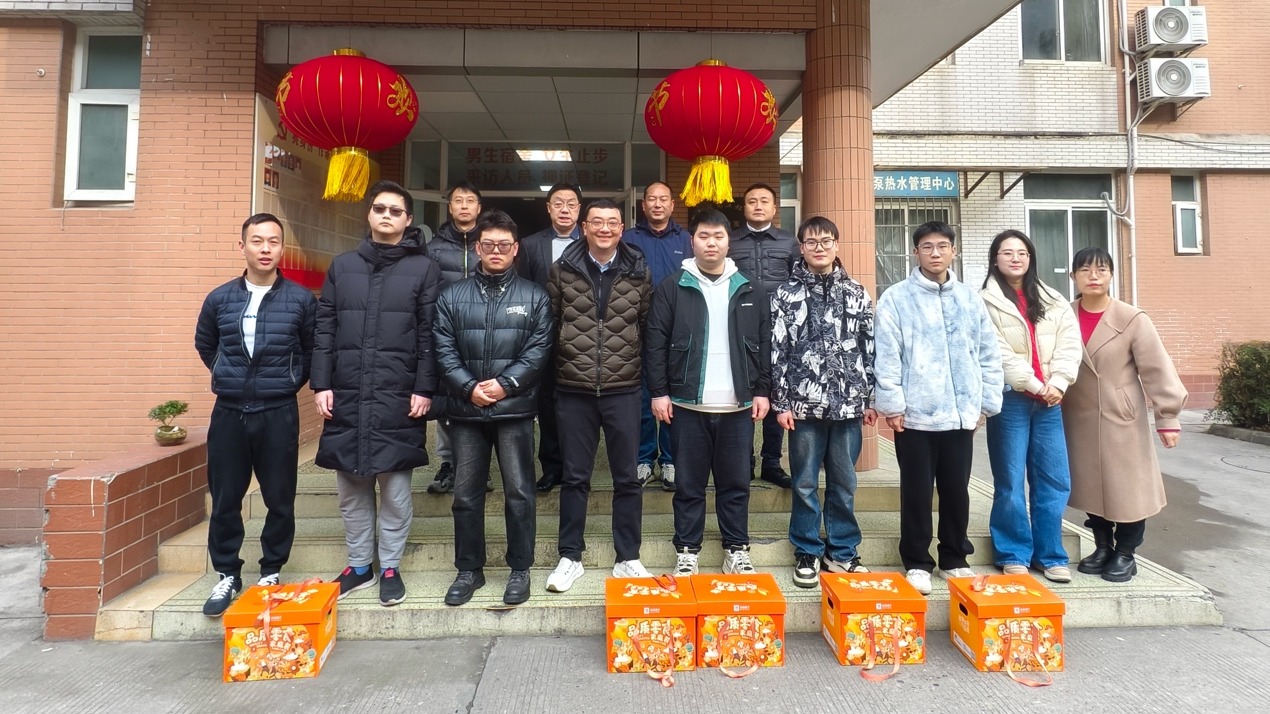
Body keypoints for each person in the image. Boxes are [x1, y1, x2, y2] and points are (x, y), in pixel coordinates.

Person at [311, 180, 444, 606]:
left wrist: (425, 387)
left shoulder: (424, 269)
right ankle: (359, 566)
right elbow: (325, 328)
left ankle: (389, 566)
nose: (386, 216)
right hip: (348, 391)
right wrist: (321, 383)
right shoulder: (343, 266)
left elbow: (430, 334)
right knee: (351, 490)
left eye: (395, 211)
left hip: (397, 394)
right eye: (380, 209)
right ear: (369, 214)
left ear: (408, 220)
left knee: (396, 491)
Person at [194, 213, 316, 616]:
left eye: (273, 242)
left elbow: (310, 349)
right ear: (242, 246)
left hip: (277, 411)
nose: (265, 249)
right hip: (229, 412)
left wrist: (288, 380)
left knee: (279, 497)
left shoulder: (300, 300)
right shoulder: (219, 299)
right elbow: (206, 343)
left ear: (282, 249)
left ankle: (271, 571)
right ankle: (227, 573)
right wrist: (229, 375)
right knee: (225, 498)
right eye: (257, 241)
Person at [874, 221, 1003, 595]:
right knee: (916, 492)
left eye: (942, 246)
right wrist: (893, 404)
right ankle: (917, 561)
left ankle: (954, 557)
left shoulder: (969, 299)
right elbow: (887, 356)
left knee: (956, 490)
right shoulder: (897, 298)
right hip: (915, 415)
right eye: (927, 246)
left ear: (953, 251)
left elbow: (987, 353)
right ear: (916, 252)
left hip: (961, 414)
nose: (935, 253)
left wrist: (984, 403)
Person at [434, 210, 554, 606]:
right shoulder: (452, 296)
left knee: (519, 493)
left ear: (516, 249)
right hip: (466, 412)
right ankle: (469, 569)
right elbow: (443, 348)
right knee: (465, 495)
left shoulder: (535, 296)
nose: (496, 251)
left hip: (514, 411)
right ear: (478, 248)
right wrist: (468, 387)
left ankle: (520, 568)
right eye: (489, 245)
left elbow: (539, 350)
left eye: (504, 245)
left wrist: (506, 385)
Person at [645, 208, 769, 576]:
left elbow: (765, 343)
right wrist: (659, 392)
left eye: (718, 236)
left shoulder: (749, 287)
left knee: (736, 484)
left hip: (737, 407)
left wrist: (762, 390)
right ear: (692, 241)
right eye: (703, 236)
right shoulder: (673, 287)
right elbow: (655, 342)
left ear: (729, 242)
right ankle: (687, 550)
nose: (710, 243)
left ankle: (736, 549)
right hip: (687, 405)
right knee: (688, 485)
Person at [544, 199, 653, 592]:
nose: (605, 229)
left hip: (624, 389)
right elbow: (551, 323)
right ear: (584, 228)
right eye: (597, 222)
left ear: (622, 229)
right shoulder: (562, 270)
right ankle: (570, 557)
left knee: (627, 477)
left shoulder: (639, 271)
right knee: (575, 477)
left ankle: (628, 557)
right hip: (573, 389)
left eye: (612, 223)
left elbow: (646, 325)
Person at [1062, 247, 1187, 583]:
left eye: (1101, 269)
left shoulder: (1132, 319)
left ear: (1111, 275)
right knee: (1090, 485)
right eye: (1085, 270)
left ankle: (1126, 553)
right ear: (1073, 276)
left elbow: (1156, 368)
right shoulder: (1063, 316)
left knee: (1129, 488)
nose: (1093, 276)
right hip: (1077, 416)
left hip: (1122, 416)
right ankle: (1102, 546)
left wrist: (1168, 417)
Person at [770, 216, 877, 588]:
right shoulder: (785, 294)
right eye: (811, 242)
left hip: (848, 404)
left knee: (844, 482)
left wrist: (870, 398)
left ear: (836, 245)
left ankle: (842, 551)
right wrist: (782, 403)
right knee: (803, 482)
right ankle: (807, 550)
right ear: (801, 248)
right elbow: (777, 351)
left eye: (826, 241)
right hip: (803, 405)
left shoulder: (856, 292)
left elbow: (869, 347)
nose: (819, 247)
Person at [980, 230, 1082, 583]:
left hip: (1051, 401)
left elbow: (1071, 343)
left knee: (1054, 479)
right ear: (995, 259)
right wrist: (1036, 385)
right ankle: (1013, 552)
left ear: (1030, 258)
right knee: (1010, 480)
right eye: (1007, 252)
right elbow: (995, 351)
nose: (1015, 258)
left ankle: (1050, 555)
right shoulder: (984, 301)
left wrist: (1059, 382)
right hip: (1012, 399)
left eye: (1022, 252)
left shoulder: (1053, 299)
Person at [622, 182, 692, 492]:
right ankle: (644, 458)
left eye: (664, 199)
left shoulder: (686, 240)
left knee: (672, 395)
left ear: (672, 204)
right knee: (643, 397)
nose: (657, 204)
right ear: (643, 204)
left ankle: (671, 460)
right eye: (652, 199)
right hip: (636, 329)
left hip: (677, 330)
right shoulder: (629, 239)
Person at [728, 183, 798, 488]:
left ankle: (771, 462)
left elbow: (798, 283)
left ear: (774, 208)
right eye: (752, 201)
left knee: (775, 393)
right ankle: (744, 462)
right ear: (744, 208)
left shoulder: (789, 242)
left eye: (764, 201)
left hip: (779, 331)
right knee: (744, 395)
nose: (758, 206)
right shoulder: (730, 240)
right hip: (740, 329)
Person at [516, 183, 583, 493]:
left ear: (579, 209)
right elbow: (524, 290)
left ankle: (576, 468)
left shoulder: (593, 241)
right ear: (548, 208)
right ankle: (552, 467)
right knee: (547, 402)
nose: (564, 209)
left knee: (577, 405)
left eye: (571, 203)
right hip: (543, 335)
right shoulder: (531, 245)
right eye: (558, 203)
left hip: (584, 337)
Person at [425, 181, 483, 495]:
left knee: (480, 399)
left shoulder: (488, 244)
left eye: (469, 200)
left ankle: (479, 466)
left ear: (479, 208)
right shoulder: (433, 249)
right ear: (450, 207)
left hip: (483, 334)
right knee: (447, 401)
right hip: (446, 335)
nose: (464, 205)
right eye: (458, 200)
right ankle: (448, 463)